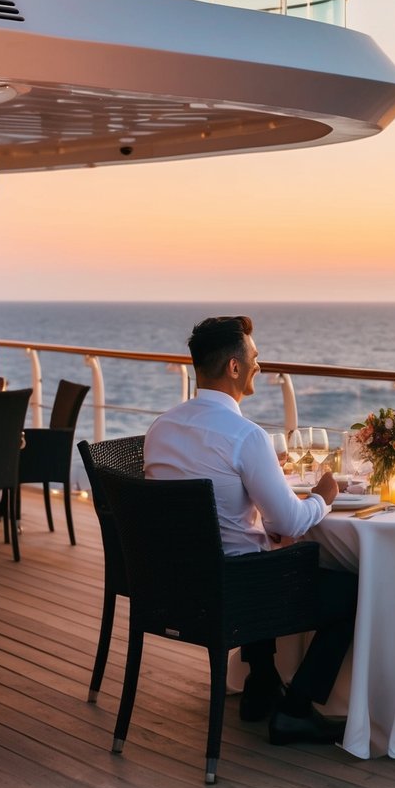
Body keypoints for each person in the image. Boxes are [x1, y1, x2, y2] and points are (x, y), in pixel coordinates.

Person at [144, 315, 357, 745]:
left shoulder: (160, 428)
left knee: (259, 546)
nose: (260, 365)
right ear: (235, 368)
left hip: (173, 587)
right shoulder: (246, 436)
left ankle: (261, 684)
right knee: (351, 590)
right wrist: (324, 495)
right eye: (255, 358)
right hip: (236, 591)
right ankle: (297, 709)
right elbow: (292, 522)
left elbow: (212, 507)